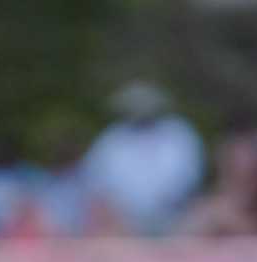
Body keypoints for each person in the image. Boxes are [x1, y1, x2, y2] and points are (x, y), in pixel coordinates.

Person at [79, 81, 205, 236]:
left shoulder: (179, 133)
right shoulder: (111, 139)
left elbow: (190, 182)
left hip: (177, 218)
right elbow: (97, 187)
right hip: (123, 223)